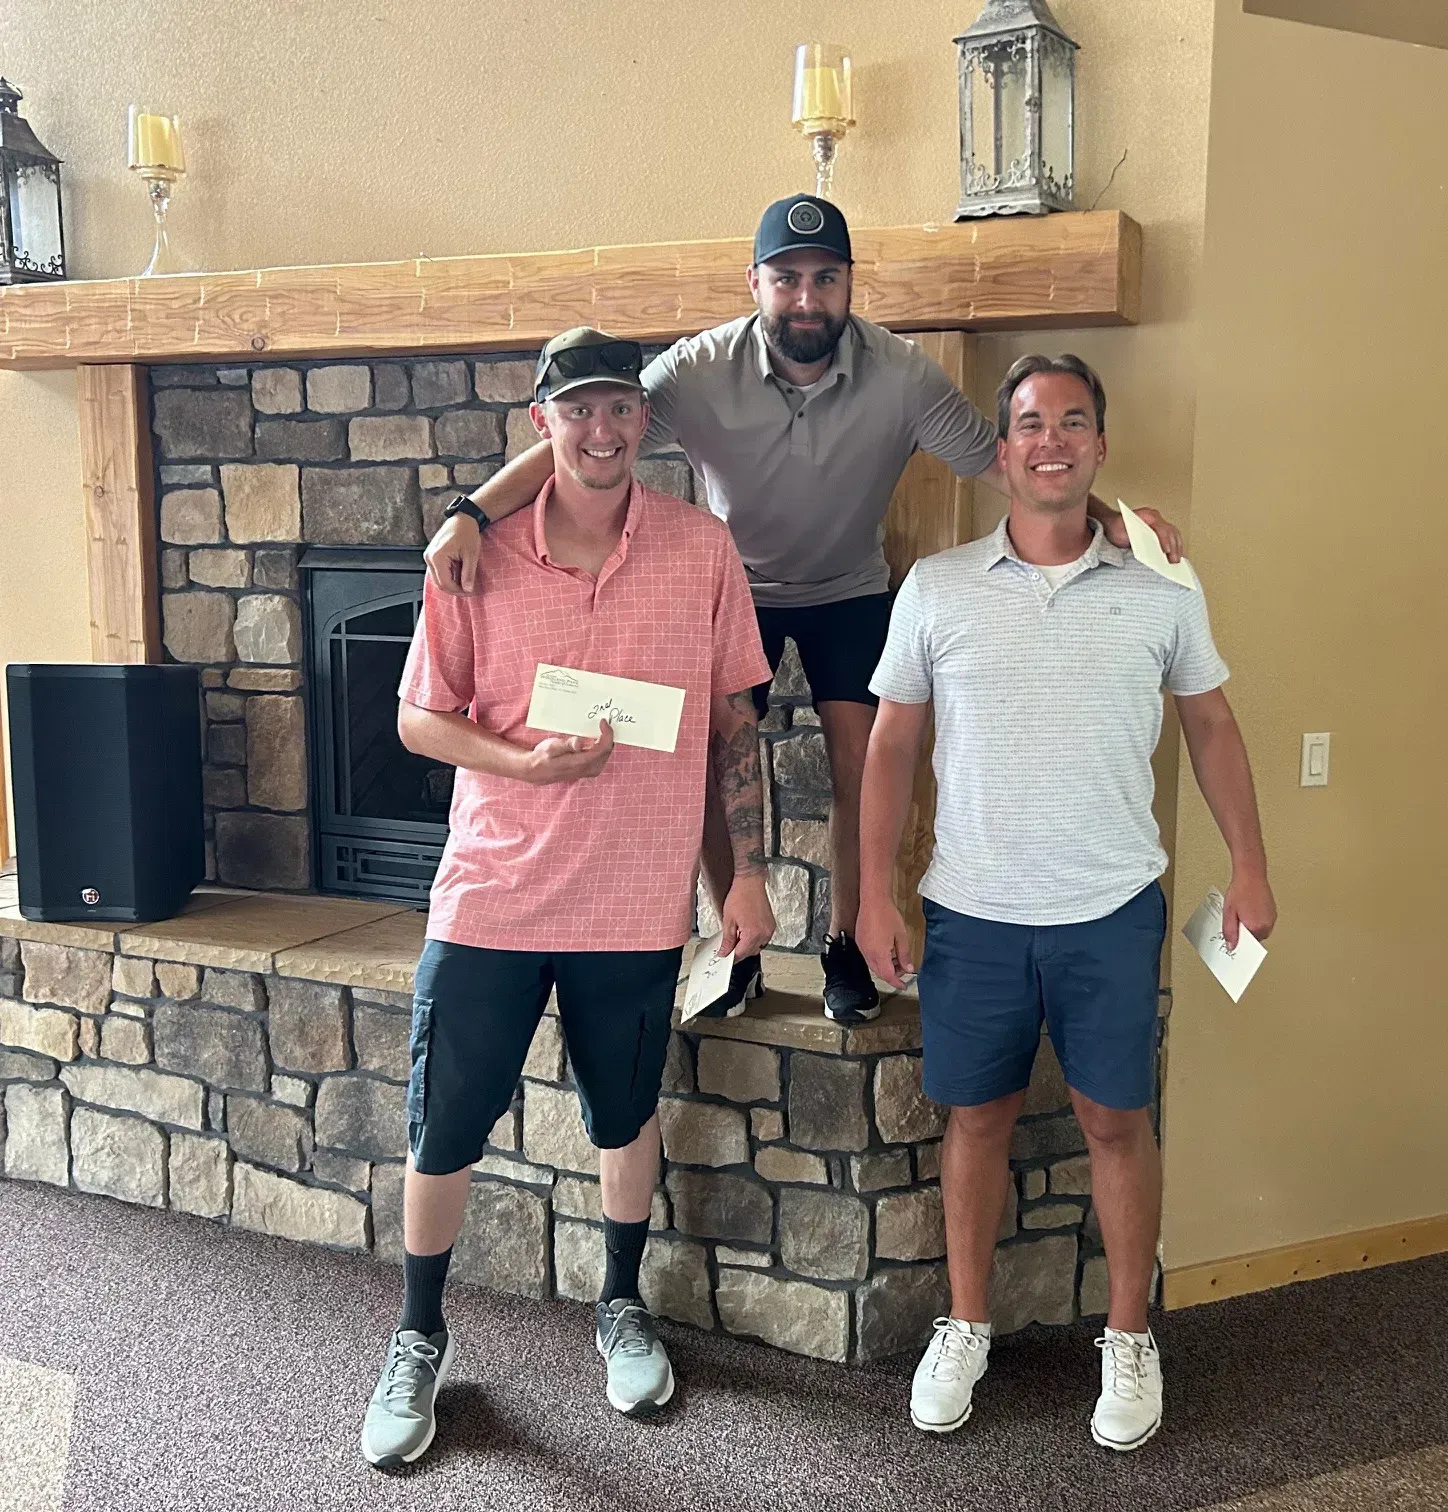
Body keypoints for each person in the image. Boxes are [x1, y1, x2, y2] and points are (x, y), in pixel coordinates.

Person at [421, 195, 1186, 1026]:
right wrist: (470, 512)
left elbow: (1003, 465)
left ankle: (849, 943)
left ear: (850, 283)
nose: (807, 298)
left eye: (825, 279)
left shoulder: (903, 375)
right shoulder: (692, 369)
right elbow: (587, 435)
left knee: (863, 761)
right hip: (731, 584)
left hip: (847, 589)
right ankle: (732, 948)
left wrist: (1104, 513)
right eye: (786, 280)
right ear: (756, 283)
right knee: (713, 752)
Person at [361, 327, 775, 1468]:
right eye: (576, 411)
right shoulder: (471, 558)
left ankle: (620, 1305)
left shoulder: (701, 552)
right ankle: (415, 1334)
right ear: (540, 425)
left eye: (619, 411)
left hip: (636, 905)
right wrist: (517, 763)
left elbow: (725, 732)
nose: (600, 432)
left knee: (624, 1114)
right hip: (491, 895)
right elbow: (415, 717)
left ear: (643, 424)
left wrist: (739, 876)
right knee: (444, 1125)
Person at [856, 354, 1276, 1453]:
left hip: (1108, 910)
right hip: (971, 912)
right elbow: (893, 742)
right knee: (976, 1119)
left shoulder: (1159, 587)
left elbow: (1212, 728)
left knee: (1114, 1122)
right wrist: (873, 895)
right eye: (1030, 423)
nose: (1050, 440)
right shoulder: (937, 589)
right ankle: (964, 1324)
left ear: (1097, 446)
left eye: (1073, 422)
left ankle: (1128, 1339)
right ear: (1000, 452)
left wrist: (1250, 866)